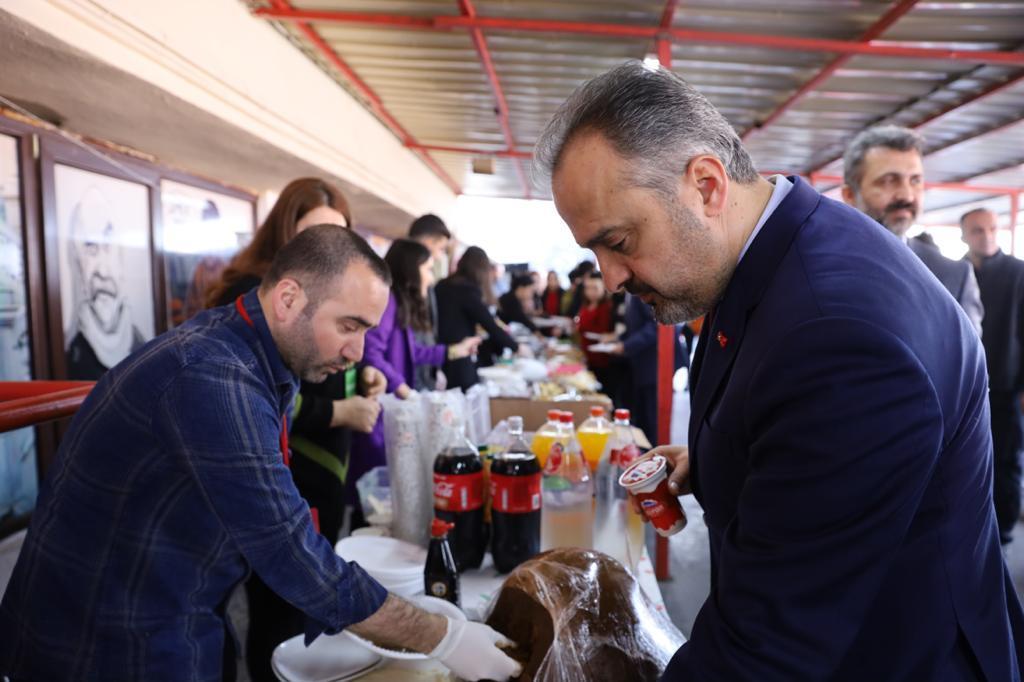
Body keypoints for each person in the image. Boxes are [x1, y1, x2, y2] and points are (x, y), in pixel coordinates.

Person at [536, 61, 1024, 680]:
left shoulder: (837, 337)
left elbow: (766, 645)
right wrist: (716, 455)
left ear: (706, 186)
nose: (610, 278)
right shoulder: (769, 251)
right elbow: (803, 432)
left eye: (620, 242)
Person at [0, 226, 520, 682]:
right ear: (288, 299)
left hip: (175, 597)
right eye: (349, 326)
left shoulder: (252, 352)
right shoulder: (212, 377)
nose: (357, 352)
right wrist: (444, 637)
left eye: (367, 330)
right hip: (107, 637)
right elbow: (290, 552)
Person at [206, 177, 386, 680]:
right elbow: (258, 394)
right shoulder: (249, 317)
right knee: (277, 600)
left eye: (341, 236)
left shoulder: (320, 305)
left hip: (322, 467)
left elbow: (323, 362)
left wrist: (361, 373)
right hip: (285, 464)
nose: (329, 249)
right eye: (315, 235)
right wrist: (437, 634)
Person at [351, 239, 480, 494]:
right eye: (428, 269)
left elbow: (412, 353)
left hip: (390, 408)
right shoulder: (388, 301)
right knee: (378, 490)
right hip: (381, 409)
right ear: (411, 269)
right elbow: (371, 353)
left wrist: (456, 350)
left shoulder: (399, 302)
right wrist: (405, 390)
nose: (430, 278)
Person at [841, 125, 983, 335]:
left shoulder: (954, 276)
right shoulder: (816, 266)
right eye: (889, 181)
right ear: (850, 195)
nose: (907, 195)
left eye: (915, 180)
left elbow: (967, 355)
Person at [961, 207, 1024, 546]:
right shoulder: (955, 272)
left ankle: (1004, 531)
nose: (986, 236)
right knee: (967, 459)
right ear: (964, 235)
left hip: (1006, 387)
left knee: (1006, 459)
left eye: (991, 229)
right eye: (977, 230)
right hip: (964, 387)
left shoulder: (1018, 272)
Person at [64, 187, 146, 379]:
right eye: (90, 247)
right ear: (77, 264)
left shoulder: (148, 350)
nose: (102, 271)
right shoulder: (72, 360)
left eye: (108, 244)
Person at [436, 246, 519, 391]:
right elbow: (489, 323)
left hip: (439, 350)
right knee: (465, 394)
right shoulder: (467, 289)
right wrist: (516, 347)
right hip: (460, 351)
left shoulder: (442, 285)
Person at [408, 214, 453, 390]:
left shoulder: (425, 283)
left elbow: (428, 331)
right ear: (428, 242)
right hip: (408, 382)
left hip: (424, 375)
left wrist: (436, 368)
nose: (440, 256)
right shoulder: (397, 286)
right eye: (440, 248)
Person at [575, 271, 620, 403]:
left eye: (595, 288)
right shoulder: (586, 304)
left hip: (603, 359)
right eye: (588, 288)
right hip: (588, 356)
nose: (591, 292)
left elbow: (603, 330)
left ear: (603, 288)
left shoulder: (607, 306)